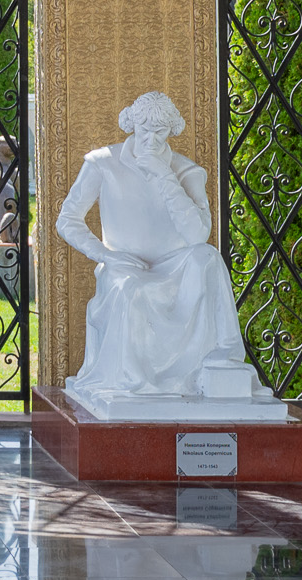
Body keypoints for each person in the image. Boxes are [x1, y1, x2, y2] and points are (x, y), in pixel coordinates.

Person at [55, 91, 256, 402]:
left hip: (175, 264)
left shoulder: (185, 170)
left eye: (159, 131)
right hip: (124, 267)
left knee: (208, 258)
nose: (151, 138)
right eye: (144, 130)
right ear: (132, 126)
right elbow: (67, 220)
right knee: (132, 287)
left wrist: (164, 175)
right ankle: (133, 385)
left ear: (171, 130)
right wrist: (106, 255)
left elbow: (197, 235)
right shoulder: (102, 163)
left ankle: (223, 360)